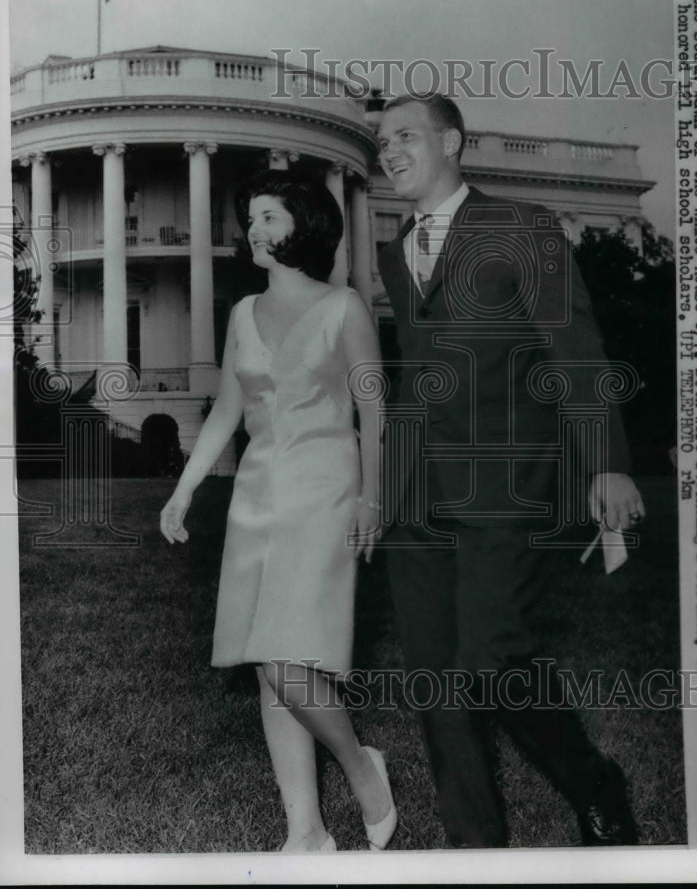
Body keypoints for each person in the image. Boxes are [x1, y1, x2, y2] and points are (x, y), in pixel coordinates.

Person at [376, 93, 646, 849]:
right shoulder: (394, 252)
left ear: (453, 141)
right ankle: (475, 849)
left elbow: (575, 349)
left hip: (507, 480)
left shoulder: (521, 227)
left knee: (493, 659)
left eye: (406, 136)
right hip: (416, 494)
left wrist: (609, 467)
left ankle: (592, 783)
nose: (389, 151)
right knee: (434, 676)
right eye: (381, 142)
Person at [160, 170, 396, 853]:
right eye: (251, 218)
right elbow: (227, 414)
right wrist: (185, 489)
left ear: (305, 223)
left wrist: (371, 497)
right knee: (269, 662)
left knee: (285, 656)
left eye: (268, 216)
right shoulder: (241, 314)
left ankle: (361, 765)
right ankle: (307, 832)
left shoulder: (345, 307)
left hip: (325, 485)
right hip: (257, 492)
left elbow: (375, 408)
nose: (253, 231)